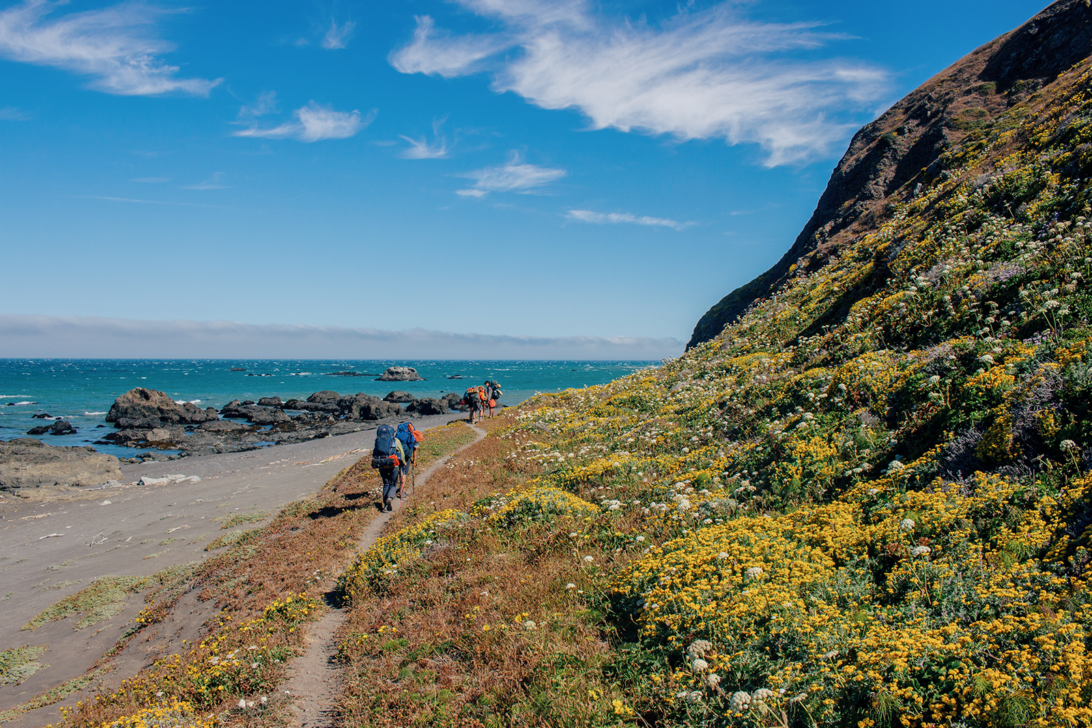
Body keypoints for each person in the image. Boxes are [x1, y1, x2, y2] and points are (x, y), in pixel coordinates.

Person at [372, 424, 405, 512]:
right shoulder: (394, 440)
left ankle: (385, 505)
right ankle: (390, 497)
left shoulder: (378, 440)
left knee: (386, 483)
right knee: (393, 483)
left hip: (381, 464)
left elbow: (374, 454)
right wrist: (403, 462)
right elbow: (400, 452)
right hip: (392, 464)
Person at [395, 422, 421, 494]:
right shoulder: (413, 432)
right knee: (405, 472)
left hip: (399, 452)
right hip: (407, 453)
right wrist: (414, 460)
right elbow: (415, 448)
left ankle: (399, 487)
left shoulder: (399, 432)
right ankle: (401, 490)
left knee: (401, 469)